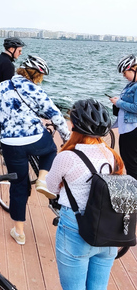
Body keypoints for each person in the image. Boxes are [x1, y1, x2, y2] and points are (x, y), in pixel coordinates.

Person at [0, 55, 69, 245]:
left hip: (11, 143)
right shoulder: (35, 89)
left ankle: (19, 232)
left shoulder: (1, 87)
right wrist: (68, 139)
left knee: (19, 186)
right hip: (35, 137)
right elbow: (55, 115)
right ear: (37, 76)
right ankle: (42, 178)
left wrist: (4, 120)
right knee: (50, 150)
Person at [47, 99, 123, 290]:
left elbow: (51, 188)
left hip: (76, 226)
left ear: (73, 125)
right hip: (108, 229)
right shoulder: (112, 155)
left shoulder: (67, 156)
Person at [0, 37, 25, 176]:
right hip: (1, 107)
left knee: (3, 134)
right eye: (19, 50)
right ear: (11, 49)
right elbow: (9, 90)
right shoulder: (8, 65)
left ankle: (4, 158)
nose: (20, 53)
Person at [110, 54, 137, 180]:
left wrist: (118, 103)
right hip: (128, 128)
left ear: (134, 69)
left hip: (132, 129)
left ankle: (134, 194)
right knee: (130, 162)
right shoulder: (131, 85)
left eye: (125, 72)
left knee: (131, 164)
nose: (124, 75)